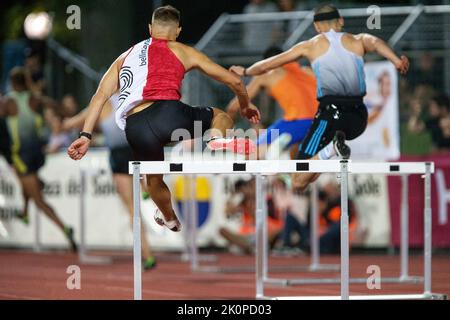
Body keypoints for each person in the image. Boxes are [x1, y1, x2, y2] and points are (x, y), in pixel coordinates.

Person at [67, 5, 260, 232]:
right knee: (220, 115)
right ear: (178, 30)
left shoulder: (124, 57)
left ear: (150, 29)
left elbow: (99, 97)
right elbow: (235, 82)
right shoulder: (183, 50)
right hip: (170, 115)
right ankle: (216, 137)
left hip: (135, 127)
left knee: (153, 181)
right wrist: (245, 106)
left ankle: (169, 217)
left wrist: (86, 135)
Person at [231, 4, 409, 190]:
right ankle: (327, 150)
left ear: (316, 27)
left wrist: (245, 70)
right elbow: (375, 41)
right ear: (341, 21)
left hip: (329, 117)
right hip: (358, 119)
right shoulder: (358, 40)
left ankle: (330, 149)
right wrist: (396, 60)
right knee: (310, 173)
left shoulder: (310, 46)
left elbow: (268, 65)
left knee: (298, 181)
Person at [63, 96, 157, 270]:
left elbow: (72, 124)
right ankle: (147, 253)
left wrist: (65, 122)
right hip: (133, 150)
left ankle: (148, 254)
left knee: (132, 209)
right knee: (134, 207)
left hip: (126, 153)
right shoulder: (133, 97)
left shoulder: (103, 102)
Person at [3, 67, 77, 251]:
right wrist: (66, 112)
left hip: (22, 154)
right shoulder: (34, 99)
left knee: (38, 199)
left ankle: (65, 228)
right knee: (27, 183)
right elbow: (55, 105)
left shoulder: (8, 102)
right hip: (38, 152)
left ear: (12, 83)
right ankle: (25, 212)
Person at [227, 46, 317, 159]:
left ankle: (274, 172)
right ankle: (286, 174)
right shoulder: (307, 71)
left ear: (267, 63)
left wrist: (227, 130)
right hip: (320, 122)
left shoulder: (267, 74)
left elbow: (233, 107)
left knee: (251, 156)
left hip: (299, 121)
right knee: (297, 156)